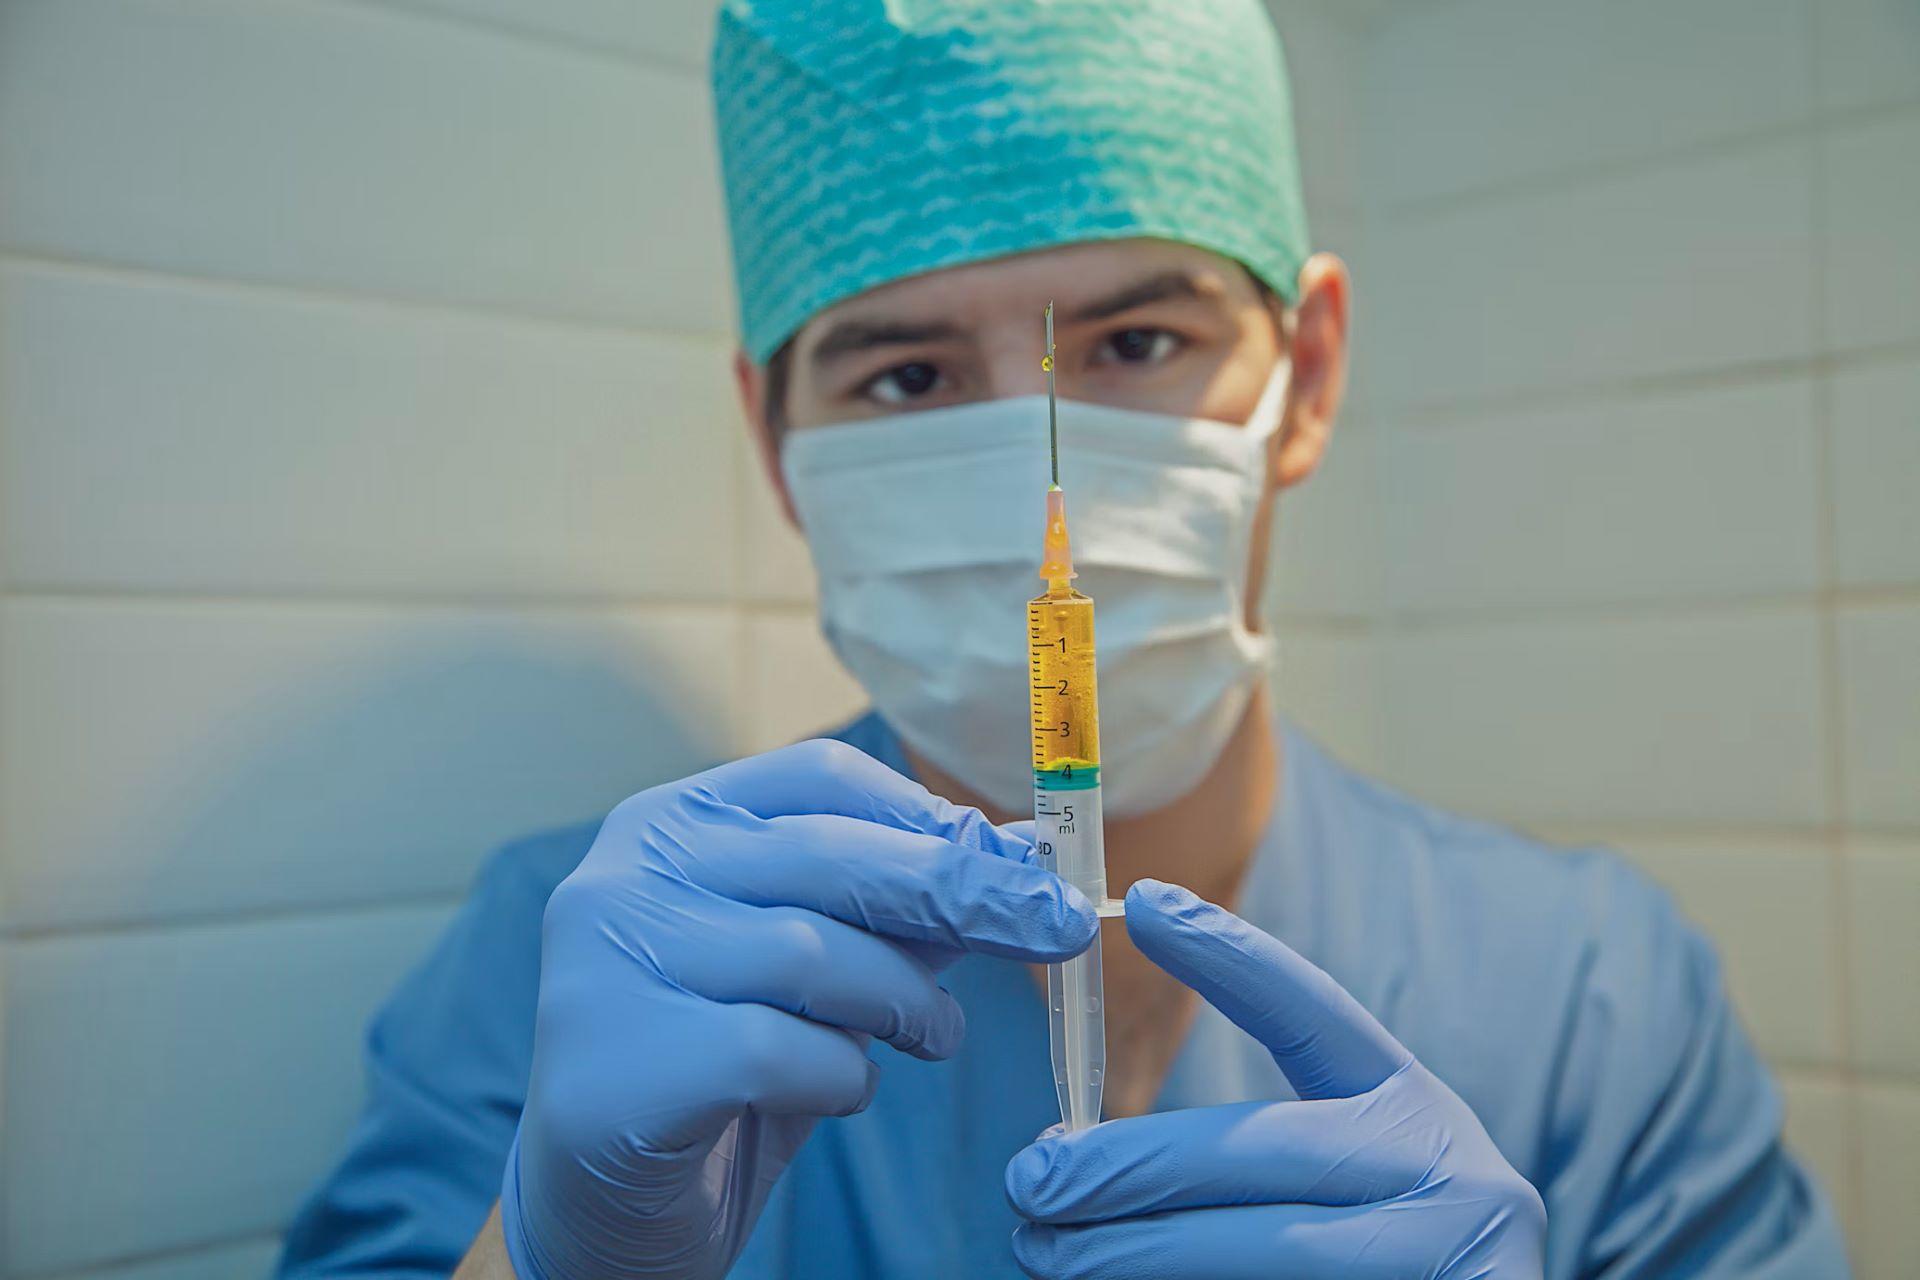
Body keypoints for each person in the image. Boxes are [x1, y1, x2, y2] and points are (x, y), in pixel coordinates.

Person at [278, 2, 1848, 1277]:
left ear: (1304, 373)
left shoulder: (1587, 992)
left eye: (1138, 342)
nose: (1038, 446)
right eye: (906, 379)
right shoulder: (591, 962)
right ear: (777, 445)